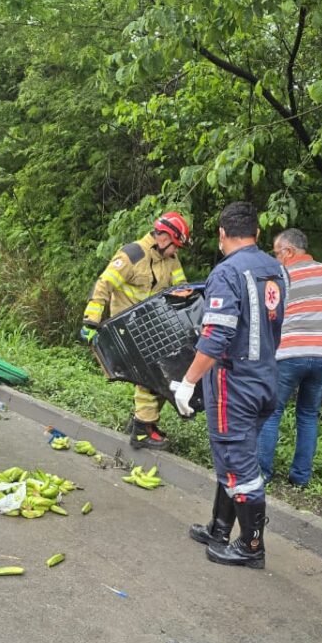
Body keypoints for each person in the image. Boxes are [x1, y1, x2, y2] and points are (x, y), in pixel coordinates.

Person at [172, 202, 287, 569]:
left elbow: (216, 336)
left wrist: (188, 382)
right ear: (256, 233)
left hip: (234, 383)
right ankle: (220, 527)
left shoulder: (227, 271)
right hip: (267, 378)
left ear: (222, 234)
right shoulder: (276, 269)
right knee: (234, 456)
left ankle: (251, 546)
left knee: (237, 461)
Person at [81, 211, 190, 450]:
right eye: (175, 246)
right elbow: (103, 284)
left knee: (161, 376)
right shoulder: (132, 255)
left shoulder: (171, 261)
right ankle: (142, 430)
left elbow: (182, 286)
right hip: (126, 328)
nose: (176, 251)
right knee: (150, 377)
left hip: (153, 328)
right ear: (164, 239)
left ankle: (143, 423)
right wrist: (91, 321)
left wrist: (184, 294)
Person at [256, 228, 322, 485]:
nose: (275, 258)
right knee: (308, 414)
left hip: (290, 353)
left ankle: (262, 473)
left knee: (272, 411)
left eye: (277, 252)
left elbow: (270, 314)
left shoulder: (281, 276)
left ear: (289, 251)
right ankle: (301, 477)